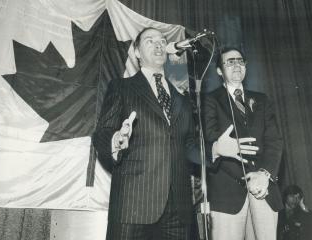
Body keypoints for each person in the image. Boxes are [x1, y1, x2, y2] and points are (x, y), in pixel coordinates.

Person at [92, 27, 199, 240]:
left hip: (179, 208)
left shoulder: (183, 99)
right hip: (133, 204)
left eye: (162, 40)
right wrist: (115, 141)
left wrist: (214, 151)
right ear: (137, 52)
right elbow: (103, 132)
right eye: (150, 41)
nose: (158, 44)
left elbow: (189, 145)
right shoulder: (122, 87)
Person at [203, 47, 283, 240]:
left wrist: (264, 175)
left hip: (263, 188)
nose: (236, 64)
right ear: (220, 71)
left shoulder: (262, 100)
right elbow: (211, 139)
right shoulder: (209, 100)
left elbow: (274, 141)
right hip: (227, 193)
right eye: (229, 62)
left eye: (240, 61)